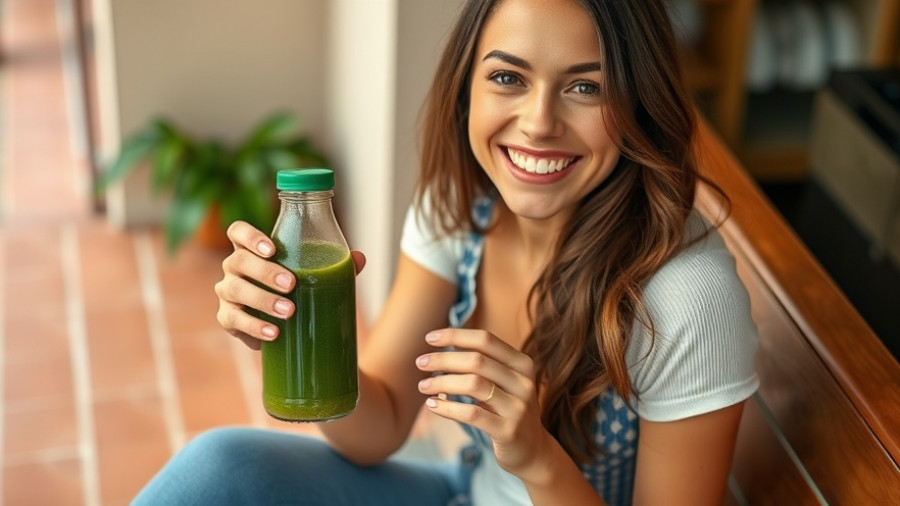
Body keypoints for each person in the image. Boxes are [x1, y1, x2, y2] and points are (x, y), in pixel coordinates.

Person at [133, 0, 758, 504]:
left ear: (639, 102)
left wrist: (537, 458)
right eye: (508, 77)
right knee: (218, 468)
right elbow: (378, 431)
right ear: (467, 90)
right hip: (461, 488)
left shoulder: (686, 296)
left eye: (586, 87)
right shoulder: (457, 210)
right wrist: (293, 334)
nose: (539, 122)